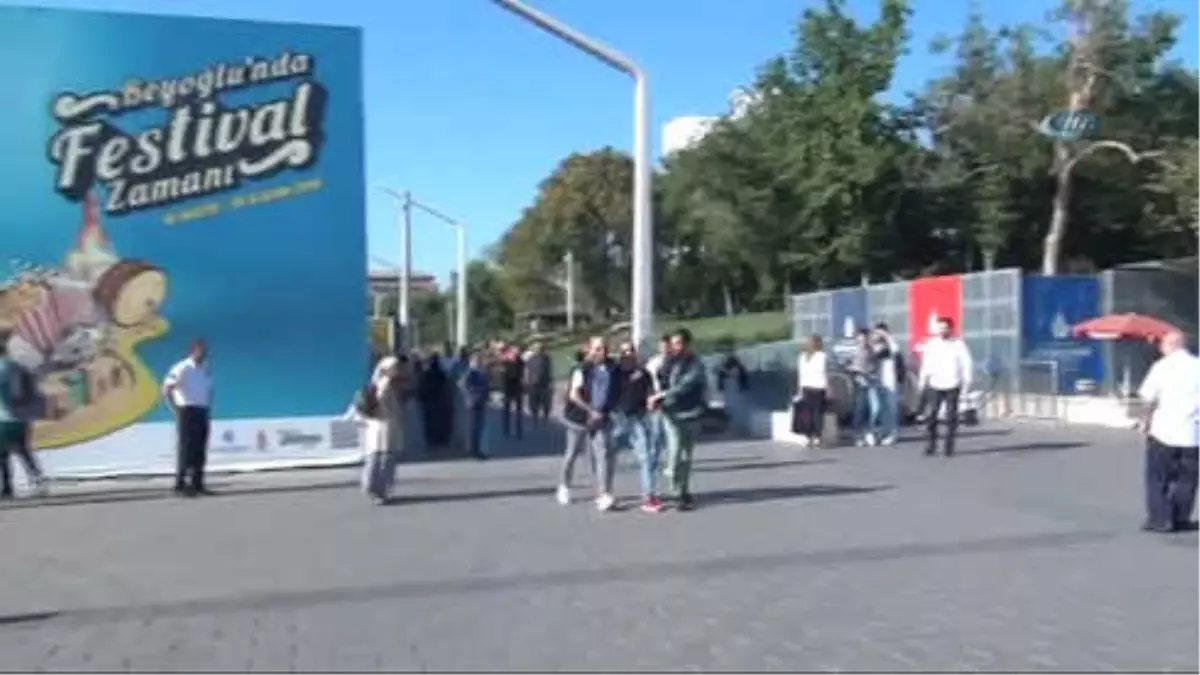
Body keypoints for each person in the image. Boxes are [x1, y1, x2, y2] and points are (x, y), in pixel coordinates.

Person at [1136, 330, 1200, 533]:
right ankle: (1181, 517)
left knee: (1157, 477)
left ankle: (1160, 518)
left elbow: (1148, 398)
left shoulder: (1162, 367)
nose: (1160, 348)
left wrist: (1144, 422)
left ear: (1171, 345)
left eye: (1162, 344)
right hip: (1192, 433)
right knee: (1187, 479)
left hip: (1164, 431)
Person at [558, 336, 620, 512]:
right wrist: (590, 410)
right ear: (589, 350)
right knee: (572, 453)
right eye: (598, 348)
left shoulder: (611, 367)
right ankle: (564, 485)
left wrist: (606, 410)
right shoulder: (581, 369)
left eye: (604, 348)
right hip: (578, 418)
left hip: (600, 418)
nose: (602, 352)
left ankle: (604, 494)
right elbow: (574, 396)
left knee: (602, 454)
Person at [648, 328, 707, 511]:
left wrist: (662, 396)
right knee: (674, 452)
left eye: (679, 343)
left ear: (688, 344)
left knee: (686, 455)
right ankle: (674, 482)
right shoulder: (667, 361)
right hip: (671, 413)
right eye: (673, 343)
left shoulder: (695, 364)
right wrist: (657, 398)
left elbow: (684, 386)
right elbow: (659, 381)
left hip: (692, 413)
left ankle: (683, 492)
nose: (675, 347)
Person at [348, 355, 409, 505]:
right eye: (395, 368)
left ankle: (371, 486)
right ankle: (381, 490)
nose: (399, 370)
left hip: (374, 426)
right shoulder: (387, 384)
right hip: (386, 425)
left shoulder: (374, 383)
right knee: (386, 459)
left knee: (374, 458)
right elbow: (389, 406)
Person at [613, 341, 662, 513]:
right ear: (619, 354)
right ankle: (604, 492)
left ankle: (648, 496)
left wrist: (651, 400)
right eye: (624, 351)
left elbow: (651, 392)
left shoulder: (643, 373)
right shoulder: (615, 372)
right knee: (607, 457)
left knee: (646, 457)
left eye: (630, 350)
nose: (627, 354)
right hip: (617, 419)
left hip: (637, 419)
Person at [162, 339, 214, 497]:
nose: (203, 354)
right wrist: (175, 408)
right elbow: (166, 388)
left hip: (201, 410)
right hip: (187, 409)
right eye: (199, 351)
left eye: (204, 351)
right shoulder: (182, 367)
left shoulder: (205, 368)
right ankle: (180, 485)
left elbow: (208, 389)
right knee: (186, 449)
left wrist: (207, 405)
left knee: (200, 448)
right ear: (192, 351)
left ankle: (198, 483)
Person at [918, 317, 973, 457]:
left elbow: (966, 363)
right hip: (935, 384)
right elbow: (927, 363)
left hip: (952, 384)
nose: (942, 330)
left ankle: (949, 446)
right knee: (931, 416)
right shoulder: (932, 344)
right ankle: (931, 444)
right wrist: (922, 380)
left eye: (945, 328)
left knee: (951, 417)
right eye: (940, 328)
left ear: (950, 329)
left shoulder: (958, 344)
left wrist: (966, 381)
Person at [848, 329, 882, 447]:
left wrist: (874, 374)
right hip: (860, 382)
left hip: (871, 382)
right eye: (860, 338)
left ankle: (870, 431)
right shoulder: (855, 351)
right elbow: (851, 367)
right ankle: (859, 435)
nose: (862, 340)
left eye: (864, 338)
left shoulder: (871, 350)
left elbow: (875, 365)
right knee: (860, 409)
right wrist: (857, 373)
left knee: (875, 408)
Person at [794, 334, 829, 447]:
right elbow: (824, 373)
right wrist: (828, 388)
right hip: (819, 387)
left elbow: (801, 374)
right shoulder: (822, 356)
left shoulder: (802, 357)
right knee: (818, 413)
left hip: (806, 387)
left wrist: (799, 390)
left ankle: (808, 437)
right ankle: (818, 437)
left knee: (807, 414)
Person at [873, 322, 902, 445]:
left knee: (891, 408)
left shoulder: (892, 346)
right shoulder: (876, 346)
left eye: (880, 333)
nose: (878, 336)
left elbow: (895, 351)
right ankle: (883, 431)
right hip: (878, 381)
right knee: (880, 408)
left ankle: (892, 433)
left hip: (890, 380)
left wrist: (887, 337)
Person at [419, 353, 453, 450]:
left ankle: (431, 438)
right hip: (438, 400)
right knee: (439, 420)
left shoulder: (427, 373)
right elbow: (445, 387)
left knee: (429, 420)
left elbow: (422, 387)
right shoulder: (440, 373)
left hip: (430, 400)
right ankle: (440, 438)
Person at [461, 352, 491, 460]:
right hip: (474, 402)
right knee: (474, 427)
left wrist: (486, 396)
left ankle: (476, 449)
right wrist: (471, 396)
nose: (480, 362)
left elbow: (485, 386)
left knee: (479, 427)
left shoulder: (480, 372)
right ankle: (473, 450)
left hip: (480, 402)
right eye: (478, 360)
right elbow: (463, 385)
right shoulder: (471, 372)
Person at [525, 341, 554, 427]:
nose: (538, 350)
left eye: (540, 348)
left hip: (543, 383)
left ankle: (545, 417)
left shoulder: (546, 358)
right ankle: (535, 417)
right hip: (534, 384)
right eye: (537, 348)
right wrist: (527, 380)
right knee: (534, 402)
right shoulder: (531, 358)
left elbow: (548, 371)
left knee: (545, 402)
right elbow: (528, 370)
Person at [500, 345, 525, 439]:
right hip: (508, 388)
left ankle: (519, 431)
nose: (516, 354)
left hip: (518, 387)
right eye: (514, 352)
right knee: (506, 409)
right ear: (510, 353)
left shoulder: (521, 362)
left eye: (517, 352)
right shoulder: (505, 362)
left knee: (519, 410)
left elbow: (523, 373)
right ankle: (506, 430)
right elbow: (502, 376)